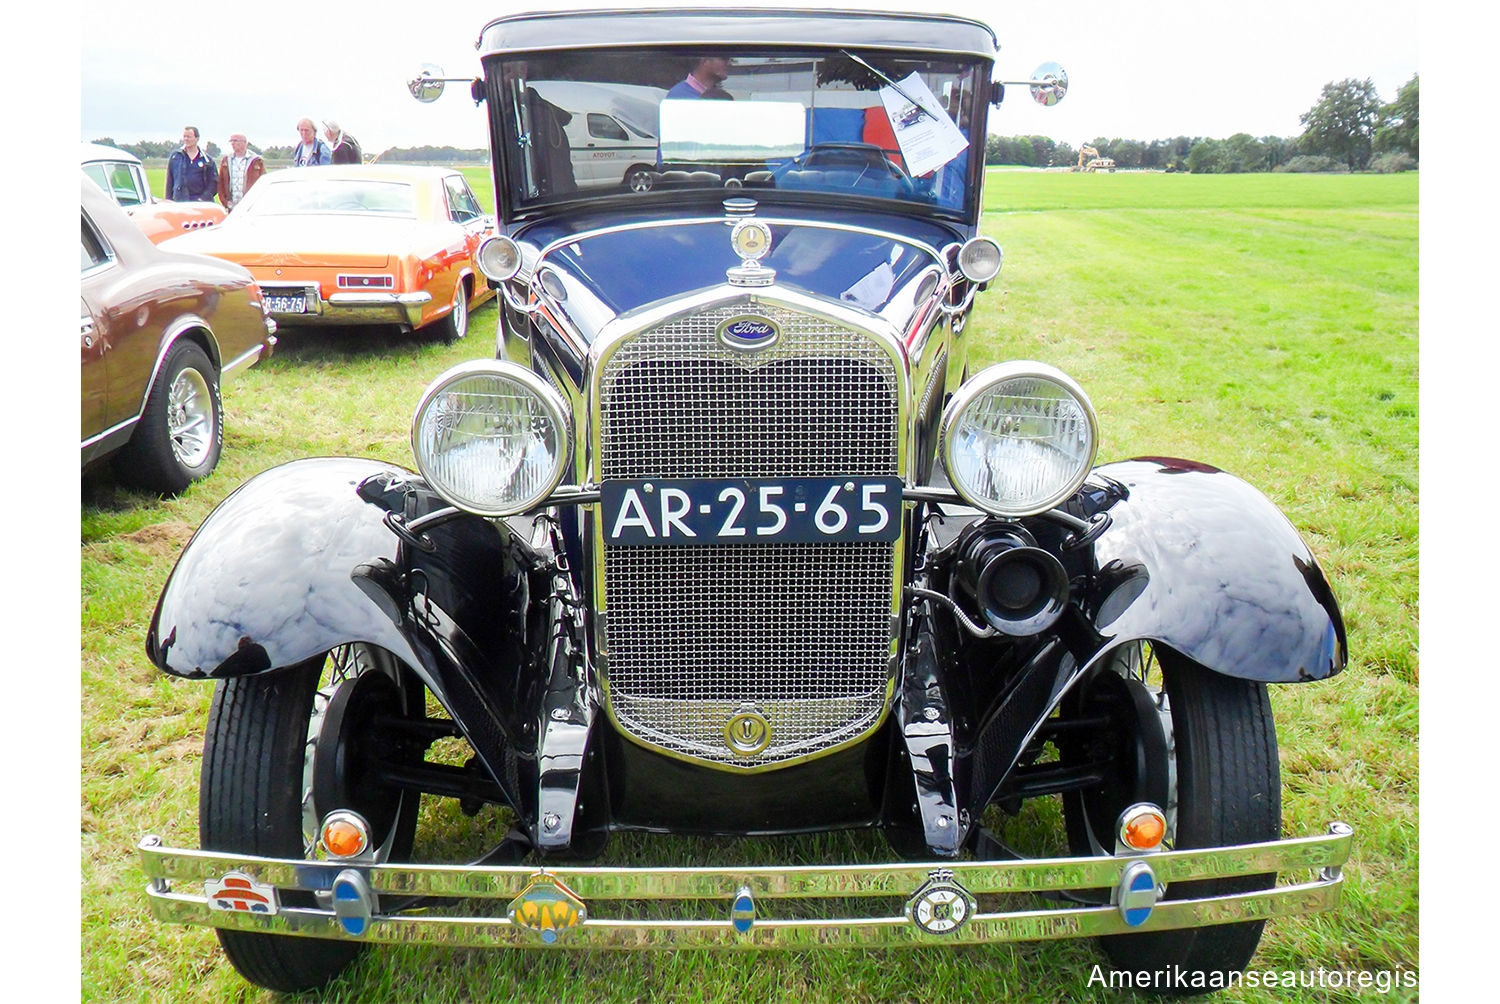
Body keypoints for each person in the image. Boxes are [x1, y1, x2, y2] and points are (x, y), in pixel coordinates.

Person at [165, 126, 217, 202]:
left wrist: (203, 198)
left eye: (189, 137)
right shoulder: (175, 157)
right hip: (180, 201)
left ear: (197, 139)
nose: (186, 139)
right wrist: (168, 200)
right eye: (184, 136)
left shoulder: (207, 160)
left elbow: (213, 183)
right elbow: (170, 180)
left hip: (200, 203)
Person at [217, 133, 265, 210]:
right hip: (231, 205)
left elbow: (262, 181)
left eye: (235, 141)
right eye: (231, 141)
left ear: (244, 143)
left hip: (250, 205)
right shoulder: (226, 160)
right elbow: (221, 182)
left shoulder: (256, 161)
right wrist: (224, 201)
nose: (233, 143)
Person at [666, 56, 733, 99]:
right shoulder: (679, 97)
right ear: (705, 61)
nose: (729, 63)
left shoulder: (716, 94)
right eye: (724, 58)